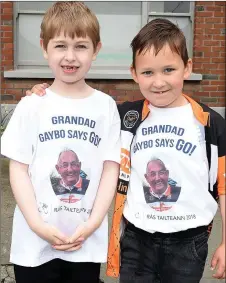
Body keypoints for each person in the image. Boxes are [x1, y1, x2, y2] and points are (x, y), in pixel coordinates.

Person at [26, 18, 226, 283]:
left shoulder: (209, 123)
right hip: (136, 238)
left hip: (189, 241)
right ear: (134, 73)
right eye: (148, 73)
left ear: (187, 68)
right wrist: (44, 94)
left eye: (169, 70)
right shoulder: (125, 116)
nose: (158, 82)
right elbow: (81, 109)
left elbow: (223, 187)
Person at [1, 2, 120, 283]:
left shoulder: (105, 107)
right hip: (34, 245)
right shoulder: (32, 106)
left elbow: (110, 168)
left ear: (96, 49)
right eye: (60, 46)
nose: (70, 56)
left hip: (84, 243)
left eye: (81, 46)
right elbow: (18, 168)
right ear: (44, 47)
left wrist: (92, 225)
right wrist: (36, 224)